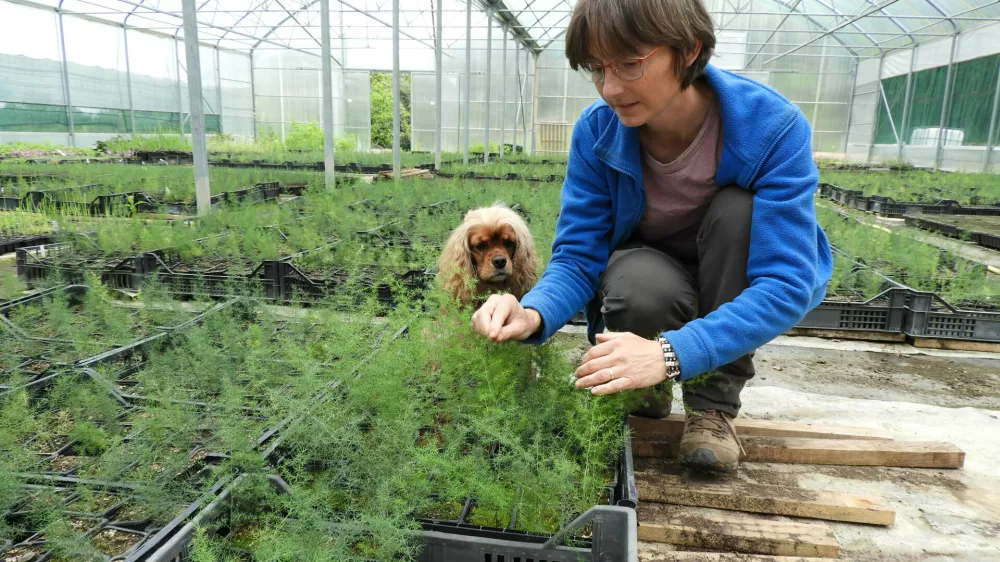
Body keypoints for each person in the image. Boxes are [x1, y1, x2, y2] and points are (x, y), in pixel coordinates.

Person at [469, 0, 832, 474]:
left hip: (731, 271)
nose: (611, 88)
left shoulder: (771, 127)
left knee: (737, 213)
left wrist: (673, 352)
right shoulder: (597, 134)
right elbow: (579, 254)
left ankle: (712, 409)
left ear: (688, 49)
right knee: (637, 281)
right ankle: (647, 384)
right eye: (597, 69)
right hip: (655, 273)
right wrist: (532, 312)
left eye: (630, 64)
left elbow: (786, 283)